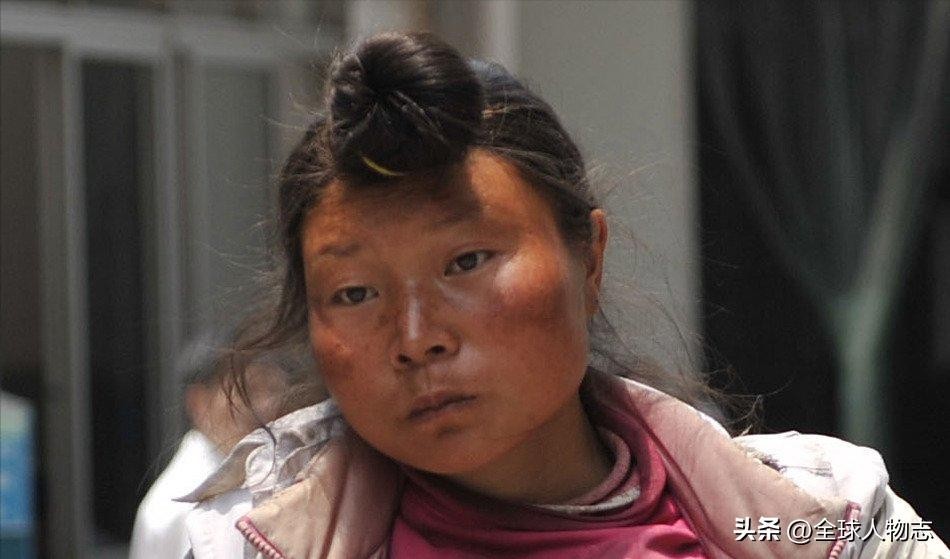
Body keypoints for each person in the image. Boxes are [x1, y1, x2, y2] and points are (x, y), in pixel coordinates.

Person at [179, 32, 948, 558]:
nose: (415, 336)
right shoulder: (239, 547)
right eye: (354, 292)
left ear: (589, 260)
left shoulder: (836, 521)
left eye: (466, 260)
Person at [130, 329, 318, 559]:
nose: (265, 405)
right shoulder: (180, 505)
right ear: (199, 402)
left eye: (272, 389)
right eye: (248, 391)